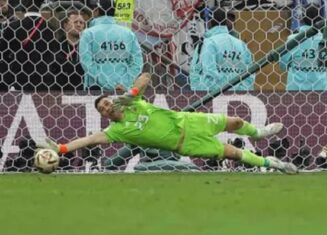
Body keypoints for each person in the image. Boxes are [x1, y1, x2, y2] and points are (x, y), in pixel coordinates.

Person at [38, 73, 298, 174]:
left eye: (106, 102)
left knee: (236, 121)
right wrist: (62, 149)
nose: (106, 106)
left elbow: (147, 76)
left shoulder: (133, 103)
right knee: (235, 153)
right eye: (102, 108)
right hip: (187, 144)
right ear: (105, 115)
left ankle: (260, 133)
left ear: (113, 102)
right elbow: (88, 140)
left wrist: (131, 93)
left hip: (190, 121)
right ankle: (275, 164)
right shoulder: (116, 132)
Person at [79, 0, 143, 91]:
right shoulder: (128, 34)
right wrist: (125, 83)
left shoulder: (88, 33)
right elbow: (137, 63)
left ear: (96, 11)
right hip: (123, 88)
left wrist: (107, 84)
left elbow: (86, 62)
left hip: (96, 88)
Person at [190, 8, 255, 92]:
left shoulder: (208, 43)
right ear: (226, 21)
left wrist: (200, 94)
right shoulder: (241, 45)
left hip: (211, 98)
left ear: (209, 22)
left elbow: (198, 71)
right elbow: (250, 72)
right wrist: (242, 91)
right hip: (239, 98)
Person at [279, 5, 327, 91]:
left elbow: (282, 64)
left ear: (302, 18)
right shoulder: (326, 40)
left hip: (296, 89)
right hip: (321, 88)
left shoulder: (292, 39)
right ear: (320, 19)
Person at [51, 9, 86, 90]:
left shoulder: (88, 46)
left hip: (83, 91)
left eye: (81, 23)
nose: (78, 25)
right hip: (61, 90)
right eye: (75, 22)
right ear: (65, 25)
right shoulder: (56, 46)